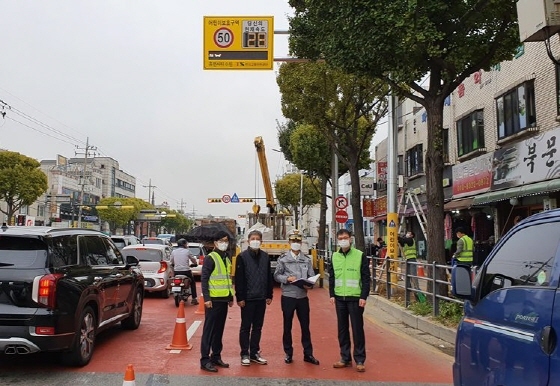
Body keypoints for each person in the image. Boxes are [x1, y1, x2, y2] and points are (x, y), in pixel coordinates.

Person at [273, 231, 320, 365]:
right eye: (293, 241)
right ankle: (288, 353)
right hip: (288, 296)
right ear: (289, 243)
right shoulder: (283, 259)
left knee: (305, 326)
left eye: (298, 242)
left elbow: (311, 275)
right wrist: (287, 279)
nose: (296, 244)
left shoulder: (306, 259)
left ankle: (308, 354)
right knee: (287, 325)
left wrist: (310, 284)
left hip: (302, 297)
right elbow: (276, 276)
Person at [328, 229, 370, 373]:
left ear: (350, 239)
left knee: (357, 329)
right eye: (340, 238)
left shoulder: (360, 256)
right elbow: (332, 277)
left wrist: (364, 296)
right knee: (342, 329)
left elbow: (366, 278)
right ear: (337, 240)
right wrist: (331, 294)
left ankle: (359, 359)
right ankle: (345, 358)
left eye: (345, 237)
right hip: (340, 298)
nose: (343, 240)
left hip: (355, 298)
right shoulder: (334, 256)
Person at [235, 230, 274, 366]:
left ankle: (254, 352)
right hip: (247, 298)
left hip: (261, 298)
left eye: (258, 238)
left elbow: (269, 277)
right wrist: (240, 297)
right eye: (253, 238)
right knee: (246, 327)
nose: (255, 240)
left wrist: (269, 294)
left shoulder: (265, 257)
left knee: (258, 327)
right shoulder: (242, 257)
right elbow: (239, 278)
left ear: (261, 241)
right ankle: (244, 353)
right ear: (248, 241)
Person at [199, 231, 234, 373]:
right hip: (212, 301)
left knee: (219, 330)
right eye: (221, 240)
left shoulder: (226, 258)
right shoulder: (210, 258)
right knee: (209, 330)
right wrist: (206, 299)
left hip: (223, 299)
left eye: (226, 241)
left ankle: (216, 356)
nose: (224, 243)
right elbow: (204, 279)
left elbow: (227, 280)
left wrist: (230, 297)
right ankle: (205, 360)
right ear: (215, 243)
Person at [170, 238, 199, 305]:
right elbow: (193, 259)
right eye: (186, 243)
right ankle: (194, 299)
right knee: (192, 283)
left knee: (174, 280)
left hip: (176, 271)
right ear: (184, 244)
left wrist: (174, 264)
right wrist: (195, 264)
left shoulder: (174, 251)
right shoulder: (187, 251)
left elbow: (171, 261)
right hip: (186, 271)